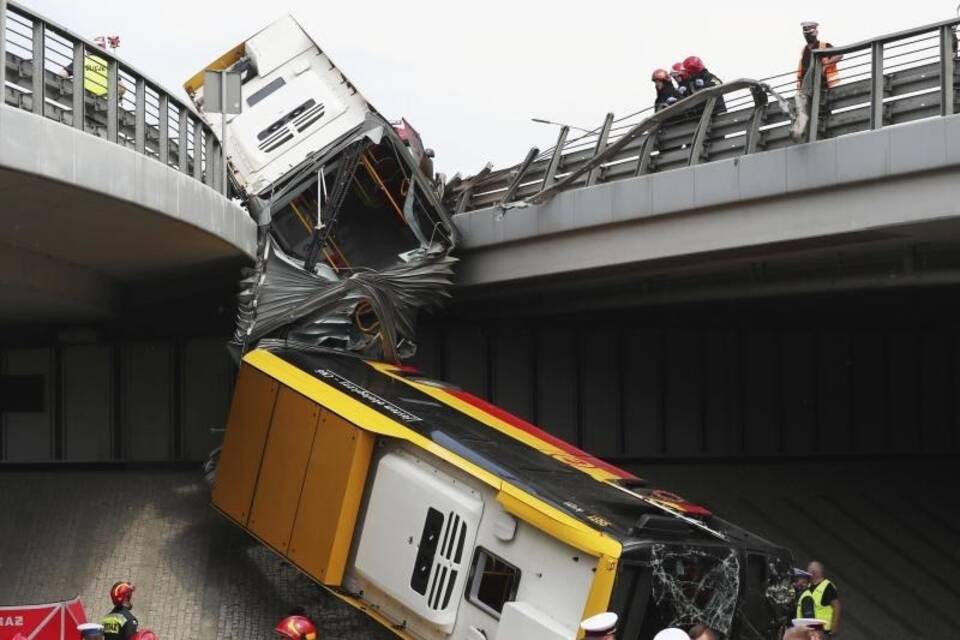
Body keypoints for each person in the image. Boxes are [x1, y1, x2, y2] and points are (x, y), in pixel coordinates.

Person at [797, 22, 842, 90]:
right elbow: (801, 69)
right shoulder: (804, 49)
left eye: (809, 34)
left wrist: (826, 64)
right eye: (806, 34)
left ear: (815, 33)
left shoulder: (823, 45)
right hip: (807, 86)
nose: (807, 36)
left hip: (823, 84)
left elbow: (839, 54)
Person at [803, 561, 841, 636]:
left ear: (814, 573)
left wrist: (834, 626)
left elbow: (837, 606)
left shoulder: (827, 587)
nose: (807, 574)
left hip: (822, 630)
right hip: (810, 630)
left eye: (808, 571)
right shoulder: (809, 586)